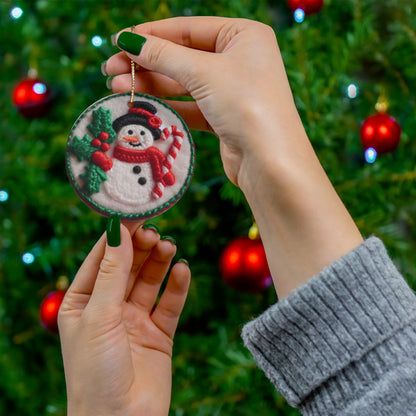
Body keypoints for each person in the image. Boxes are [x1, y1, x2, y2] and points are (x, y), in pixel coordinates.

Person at [58, 17, 416, 416]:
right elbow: (386, 383)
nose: (137, 139)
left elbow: (387, 384)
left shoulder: (155, 150)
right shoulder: (111, 147)